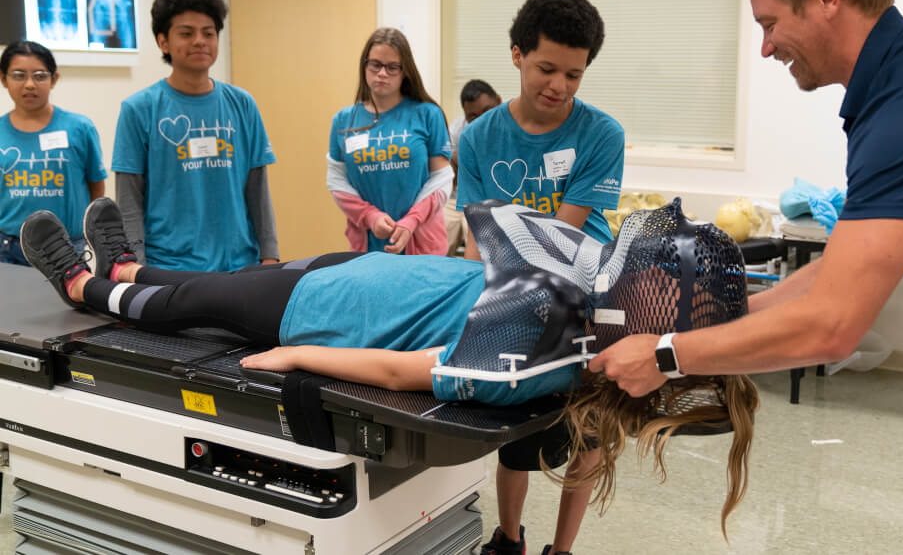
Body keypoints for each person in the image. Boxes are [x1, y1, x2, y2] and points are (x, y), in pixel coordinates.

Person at [589, 0, 903, 555]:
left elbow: (834, 326)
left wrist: (666, 356)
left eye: (771, 24)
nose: (765, 46)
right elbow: (838, 269)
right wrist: (726, 316)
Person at [20, 196, 757, 541]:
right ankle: (127, 263)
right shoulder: (586, 299)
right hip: (364, 274)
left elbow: (408, 372)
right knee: (218, 285)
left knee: (193, 303)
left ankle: (88, 286)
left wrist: (298, 357)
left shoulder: (539, 363)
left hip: (324, 313)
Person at [456, 0, 625, 555]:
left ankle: (563, 548)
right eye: (546, 68)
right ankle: (509, 540)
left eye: (574, 75)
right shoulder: (479, 138)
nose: (559, 86)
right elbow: (480, 230)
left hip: (585, 294)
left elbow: (567, 235)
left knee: (588, 431)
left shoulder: (602, 134)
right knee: (518, 436)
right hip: (512, 292)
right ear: (516, 55)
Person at [111, 0, 278, 272]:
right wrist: (133, 266)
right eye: (186, 33)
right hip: (168, 269)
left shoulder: (242, 103)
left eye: (208, 33)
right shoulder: (139, 109)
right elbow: (129, 201)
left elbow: (257, 188)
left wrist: (270, 256)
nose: (200, 41)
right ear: (163, 42)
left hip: (240, 265)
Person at [327, 28, 452, 255]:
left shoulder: (427, 114)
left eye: (392, 67)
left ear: (405, 72)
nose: (382, 73)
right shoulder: (344, 121)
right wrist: (369, 216)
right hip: (368, 247)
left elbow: (442, 179)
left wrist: (412, 220)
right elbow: (337, 181)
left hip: (423, 246)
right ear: (364, 66)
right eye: (375, 64)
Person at [0, 40, 105, 265]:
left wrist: (94, 236)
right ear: (3, 79)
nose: (29, 84)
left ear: (54, 79)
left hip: (68, 246)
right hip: (7, 249)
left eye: (39, 75)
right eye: (18, 75)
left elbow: (96, 185)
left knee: (67, 302)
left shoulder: (79, 128)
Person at [445, 79, 502, 255]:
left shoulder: (512, 125)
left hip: (495, 201)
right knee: (441, 229)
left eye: (487, 111)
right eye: (473, 116)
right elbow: (447, 162)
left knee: (480, 238)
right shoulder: (458, 129)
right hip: (459, 197)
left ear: (499, 101)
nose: (482, 120)